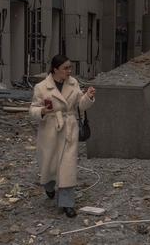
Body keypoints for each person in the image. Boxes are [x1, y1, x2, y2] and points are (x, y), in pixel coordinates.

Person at [29, 55, 96, 217]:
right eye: (66, 68)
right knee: (49, 165)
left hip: (69, 128)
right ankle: (49, 186)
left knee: (68, 166)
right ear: (55, 69)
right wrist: (42, 111)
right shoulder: (41, 87)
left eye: (70, 67)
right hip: (50, 131)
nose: (69, 71)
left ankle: (67, 204)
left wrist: (89, 96)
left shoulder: (73, 83)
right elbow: (32, 110)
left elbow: (81, 105)